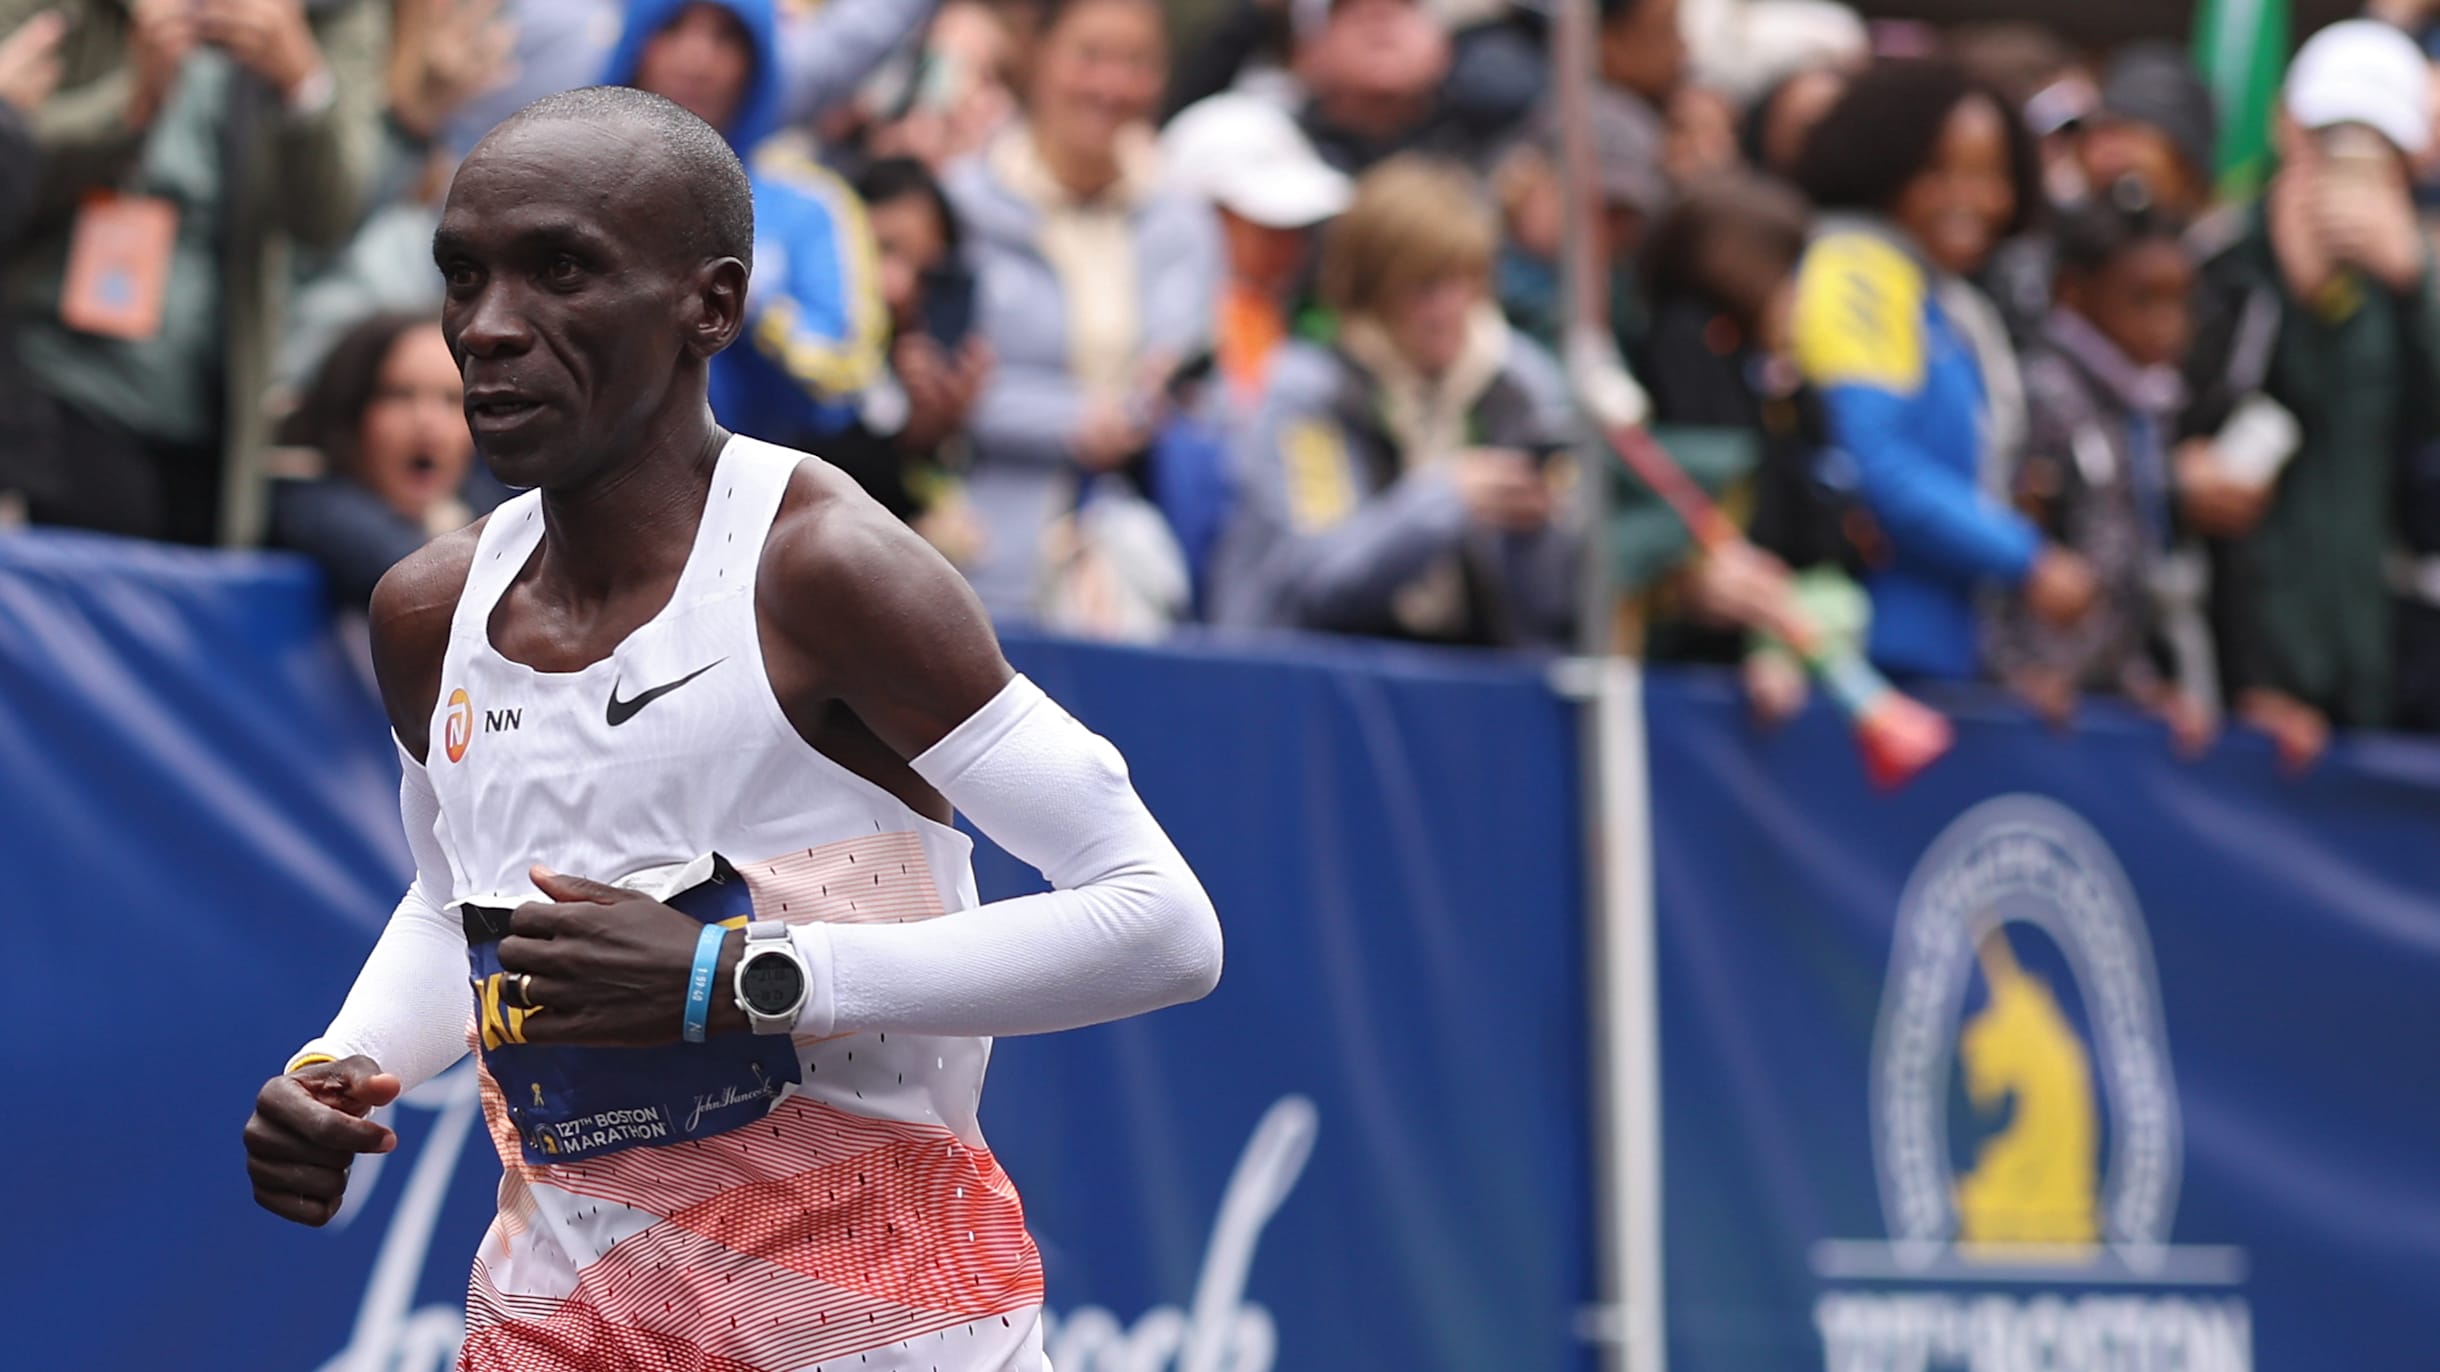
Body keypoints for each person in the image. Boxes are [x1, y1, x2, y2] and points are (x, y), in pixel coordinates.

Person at [239, 88, 1222, 1371]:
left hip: (881, 1330)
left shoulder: (824, 568)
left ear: (711, 304)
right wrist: (346, 1062)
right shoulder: (430, 610)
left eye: (561, 272)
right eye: (464, 275)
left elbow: (1160, 921)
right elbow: (450, 907)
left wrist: (743, 978)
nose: (486, 329)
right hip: (559, 1327)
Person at [0, 0, 386, 546]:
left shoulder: (332, 13)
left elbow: (331, 214)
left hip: (217, 403)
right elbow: (9, 154)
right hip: (56, 380)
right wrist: (129, 107)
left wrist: (302, 83)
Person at [2179, 20, 2440, 760]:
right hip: (2237, 678)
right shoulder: (2219, 262)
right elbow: (2182, 438)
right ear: (2288, 130)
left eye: (2378, 148)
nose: (2352, 170)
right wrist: (2287, 292)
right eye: (2333, 139)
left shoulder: (2404, 286)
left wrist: (2416, 284)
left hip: (2371, 668)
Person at [1790, 58, 2099, 682]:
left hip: (1940, 654)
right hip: (1864, 659)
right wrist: (2025, 560)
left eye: (1991, 175)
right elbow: (1872, 458)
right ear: (1884, 164)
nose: (1974, 200)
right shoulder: (1857, 272)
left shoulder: (1938, 294)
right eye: (1941, 172)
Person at [1210, 155, 1577, 647]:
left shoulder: (1519, 387)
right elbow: (1321, 578)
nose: (1448, 311)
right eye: (1424, 288)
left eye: (1465, 282)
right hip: (1319, 673)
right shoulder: (1308, 395)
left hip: (1482, 677)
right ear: (1371, 288)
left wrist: (1536, 531)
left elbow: (1560, 602)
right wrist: (1446, 498)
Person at [946, 0, 1219, 626]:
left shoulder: (1184, 219)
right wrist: (1073, 418)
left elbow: (1212, 380)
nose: (1111, 86)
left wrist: (1173, 397)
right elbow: (934, 381)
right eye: (1089, 56)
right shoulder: (963, 203)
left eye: (1137, 63)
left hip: (1143, 562)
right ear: (1036, 54)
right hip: (984, 555)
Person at [1632, 172, 1872, 723]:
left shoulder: (1784, 384)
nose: (1799, 298)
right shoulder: (1684, 343)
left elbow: (1826, 528)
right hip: (1691, 665)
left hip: (1770, 641)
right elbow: (1708, 499)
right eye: (1789, 275)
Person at [601, 0, 891, 450]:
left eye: (727, 38)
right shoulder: (565, 192)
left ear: (759, 66)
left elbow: (846, 377)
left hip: (748, 498)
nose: (697, 60)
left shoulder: (810, 206)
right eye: (674, 28)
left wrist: (739, 303)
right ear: (635, 45)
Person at [1987, 192, 2212, 747]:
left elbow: (2122, 564)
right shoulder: (2040, 397)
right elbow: (2006, 545)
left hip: (2096, 701)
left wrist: (2140, 684)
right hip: (2019, 707)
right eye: (2143, 300)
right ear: (2073, 291)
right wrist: (2015, 672)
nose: (2169, 326)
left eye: (2180, 302)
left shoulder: (2149, 409)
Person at [814, 155, 995, 567]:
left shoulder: (941, 357)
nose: (898, 287)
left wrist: (929, 437)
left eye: (927, 272)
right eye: (881, 252)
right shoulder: (799, 340)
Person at [267, 314, 488, 608]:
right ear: (350, 412)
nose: (428, 423)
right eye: (399, 395)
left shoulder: (494, 500)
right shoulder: (310, 506)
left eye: (451, 399)